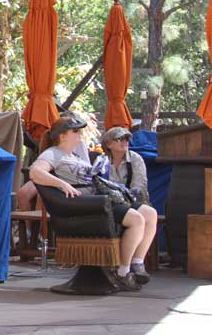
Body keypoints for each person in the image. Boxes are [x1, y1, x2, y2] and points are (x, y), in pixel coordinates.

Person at [28, 114, 159, 291]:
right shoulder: (53, 153)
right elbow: (35, 172)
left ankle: (137, 263)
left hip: (100, 200)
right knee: (136, 219)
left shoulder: (74, 154)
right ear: (62, 135)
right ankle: (123, 271)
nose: (80, 135)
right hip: (88, 205)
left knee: (149, 213)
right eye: (75, 131)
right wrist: (62, 183)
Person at [95, 127, 150, 205]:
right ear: (108, 144)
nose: (125, 141)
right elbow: (95, 185)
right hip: (109, 203)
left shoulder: (135, 158)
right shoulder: (101, 161)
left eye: (127, 139)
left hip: (134, 202)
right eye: (120, 139)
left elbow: (139, 187)